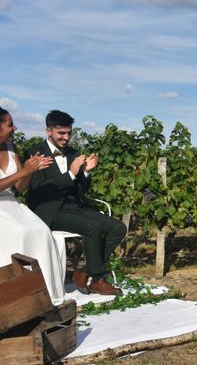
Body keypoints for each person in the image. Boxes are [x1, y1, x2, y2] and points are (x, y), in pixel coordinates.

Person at [26, 110, 127, 295]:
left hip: (75, 207)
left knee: (119, 228)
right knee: (92, 226)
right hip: (50, 210)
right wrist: (71, 173)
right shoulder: (34, 153)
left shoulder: (73, 153)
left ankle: (83, 271)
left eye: (69, 133)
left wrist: (86, 172)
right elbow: (40, 188)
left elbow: (81, 188)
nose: (66, 138)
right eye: (61, 133)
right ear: (48, 131)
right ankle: (98, 279)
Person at [0, 107, 66, 302]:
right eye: (10, 124)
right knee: (19, 232)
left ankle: (45, 295)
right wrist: (23, 172)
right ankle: (16, 295)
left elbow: (20, 188)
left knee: (41, 231)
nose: (15, 127)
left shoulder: (12, 148)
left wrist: (31, 170)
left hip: (12, 204)